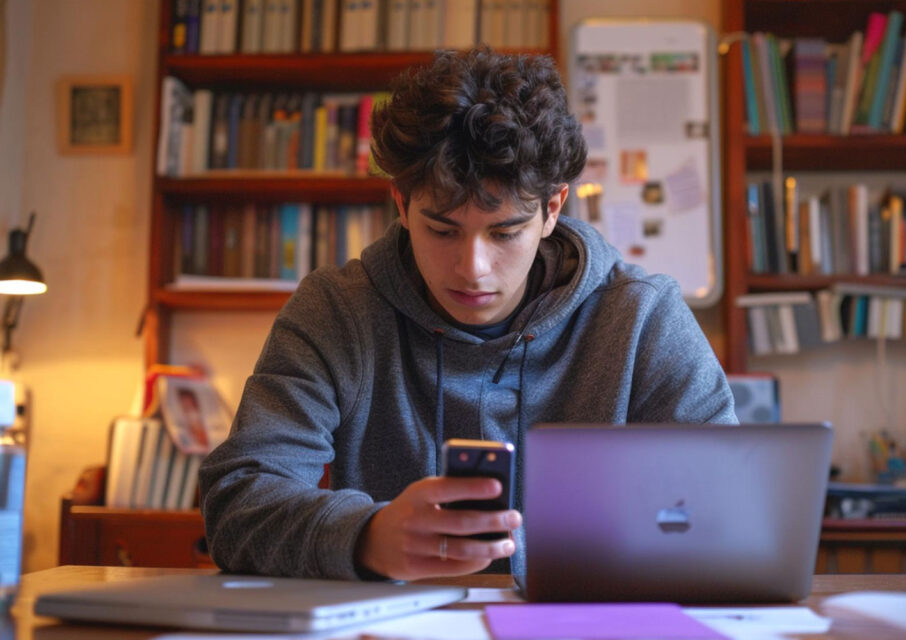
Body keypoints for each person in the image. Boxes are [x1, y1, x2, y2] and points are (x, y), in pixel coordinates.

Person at [199, 47, 736, 583]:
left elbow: (728, 510)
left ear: (551, 209)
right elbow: (239, 504)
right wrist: (365, 536)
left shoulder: (644, 318)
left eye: (504, 233)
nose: (472, 268)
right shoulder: (336, 312)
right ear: (401, 205)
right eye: (442, 229)